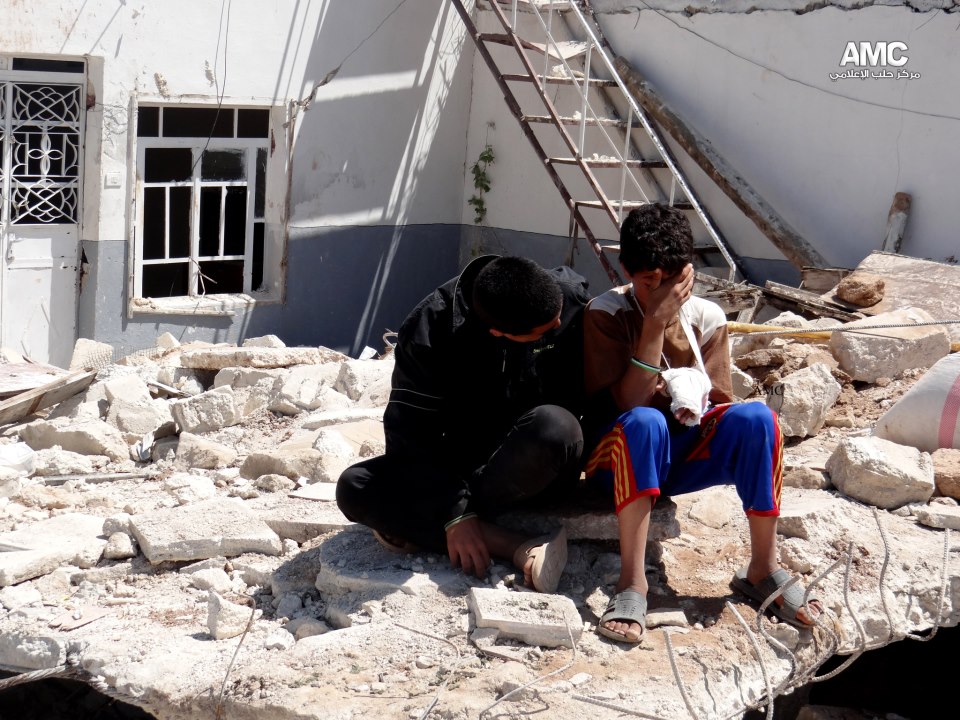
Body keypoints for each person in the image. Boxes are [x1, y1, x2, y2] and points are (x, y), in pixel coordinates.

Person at [581, 203, 822, 643]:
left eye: (671, 282)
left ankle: (763, 567)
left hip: (676, 458)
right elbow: (628, 403)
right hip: (616, 462)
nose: (662, 293)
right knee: (645, 421)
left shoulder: (705, 317)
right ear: (627, 270)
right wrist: (654, 323)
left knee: (758, 418)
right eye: (649, 282)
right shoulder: (607, 313)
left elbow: (717, 405)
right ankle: (632, 583)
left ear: (688, 273)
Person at [337, 255, 591, 592]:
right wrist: (456, 511)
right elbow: (410, 434)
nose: (559, 324)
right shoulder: (430, 330)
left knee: (557, 427)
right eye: (544, 331)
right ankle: (515, 545)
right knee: (354, 488)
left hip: (532, 462)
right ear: (499, 332)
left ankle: (422, 525)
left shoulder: (567, 297)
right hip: (459, 465)